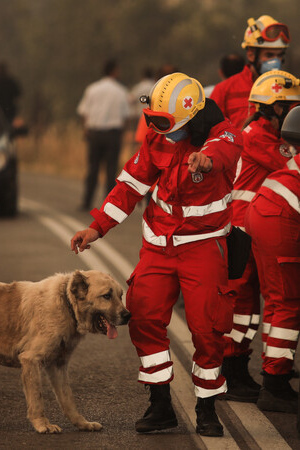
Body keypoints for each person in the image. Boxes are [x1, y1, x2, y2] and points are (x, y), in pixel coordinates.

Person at [71, 73, 243, 437]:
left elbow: (223, 153)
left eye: (164, 123)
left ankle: (207, 406)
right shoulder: (157, 137)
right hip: (158, 246)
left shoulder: (222, 136)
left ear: (192, 117)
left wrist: (206, 162)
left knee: (206, 328)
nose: (157, 129)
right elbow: (130, 186)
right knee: (143, 316)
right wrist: (97, 227)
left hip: (203, 247)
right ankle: (160, 404)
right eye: (152, 121)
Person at [222, 70, 300, 404]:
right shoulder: (258, 135)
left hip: (252, 224)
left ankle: (238, 368)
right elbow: (290, 159)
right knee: (242, 303)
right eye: (290, 105)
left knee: (251, 305)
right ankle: (231, 370)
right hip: (243, 226)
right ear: (273, 107)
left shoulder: (263, 131)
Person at [245, 144, 299, 413]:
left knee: (277, 301)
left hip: (262, 209)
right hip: (280, 215)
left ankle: (274, 368)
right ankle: (275, 385)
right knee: (288, 302)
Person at [211, 15, 290, 129]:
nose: (276, 61)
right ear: (251, 54)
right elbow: (213, 136)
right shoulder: (224, 91)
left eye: (279, 55)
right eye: (269, 55)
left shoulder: (290, 90)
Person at [76, 59, 130, 211]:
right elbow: (126, 116)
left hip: (94, 133)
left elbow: (84, 112)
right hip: (113, 134)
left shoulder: (92, 89)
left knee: (92, 168)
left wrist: (85, 129)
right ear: (114, 71)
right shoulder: (121, 91)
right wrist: (123, 134)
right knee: (111, 169)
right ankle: (109, 205)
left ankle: (87, 201)